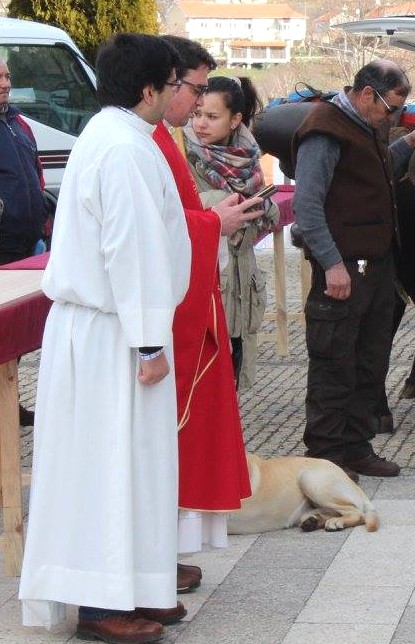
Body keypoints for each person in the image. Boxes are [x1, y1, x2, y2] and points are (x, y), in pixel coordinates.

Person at [18, 34, 191, 643]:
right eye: (174, 84)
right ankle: (99, 601)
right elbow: (133, 248)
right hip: (112, 333)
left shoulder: (119, 137)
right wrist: (149, 342)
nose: (179, 95)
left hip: (114, 328)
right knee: (105, 466)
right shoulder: (121, 148)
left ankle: (139, 584)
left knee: (136, 465)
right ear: (148, 89)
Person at [293, 60, 415, 477]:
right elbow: (307, 206)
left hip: (375, 268)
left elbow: (377, 172)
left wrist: (410, 141)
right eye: (390, 108)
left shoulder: (364, 126)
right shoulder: (324, 130)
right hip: (341, 271)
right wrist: (331, 264)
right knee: (334, 363)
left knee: (369, 362)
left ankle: (356, 447)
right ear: (367, 93)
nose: (391, 116)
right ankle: (325, 457)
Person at [155, 35, 257, 595]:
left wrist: (215, 221)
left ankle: (163, 552)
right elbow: (156, 230)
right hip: (158, 320)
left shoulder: (159, 138)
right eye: (191, 90)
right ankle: (150, 558)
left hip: (191, 297)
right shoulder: (136, 142)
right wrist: (215, 222)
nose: (195, 108)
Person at [184, 75, 278, 390]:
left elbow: (264, 217)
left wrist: (263, 209)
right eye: (197, 114)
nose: (200, 124)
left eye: (212, 116)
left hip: (241, 290)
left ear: (235, 119)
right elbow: (181, 215)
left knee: (232, 387)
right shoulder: (182, 155)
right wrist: (223, 207)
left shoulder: (249, 157)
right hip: (206, 292)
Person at [0, 57, 48, 427]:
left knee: (10, 338)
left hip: (22, 241)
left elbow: (35, 174)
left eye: (7, 75)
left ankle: (9, 404)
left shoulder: (18, 124)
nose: (4, 82)